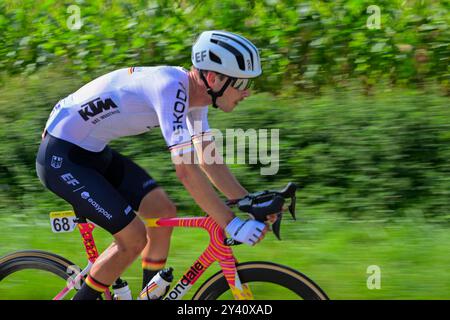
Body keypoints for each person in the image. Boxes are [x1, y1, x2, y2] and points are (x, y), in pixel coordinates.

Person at [36, 30, 270, 300]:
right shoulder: (171, 88)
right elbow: (185, 170)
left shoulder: (197, 98)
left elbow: (208, 159)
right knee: (133, 238)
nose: (247, 92)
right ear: (214, 79)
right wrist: (230, 223)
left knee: (162, 210)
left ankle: (148, 296)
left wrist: (247, 201)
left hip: (92, 152)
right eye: (241, 83)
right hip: (62, 158)